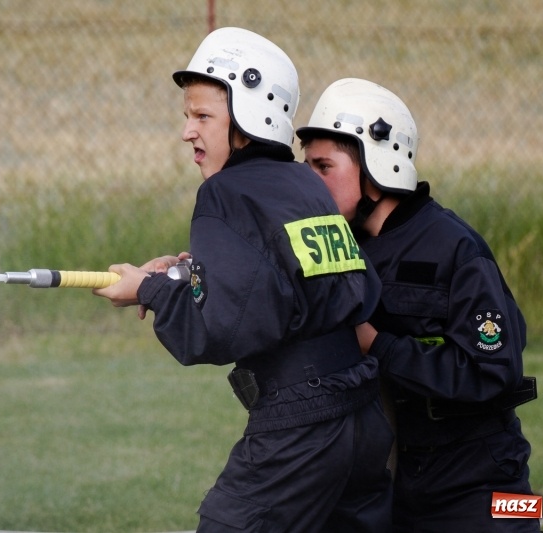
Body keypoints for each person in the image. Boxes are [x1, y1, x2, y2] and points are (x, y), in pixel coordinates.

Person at [93, 31, 394, 532]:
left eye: (203, 116)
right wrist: (186, 273)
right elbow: (292, 287)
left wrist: (146, 290)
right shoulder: (302, 184)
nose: (187, 131)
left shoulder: (226, 194)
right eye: (187, 115)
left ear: (250, 116)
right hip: (359, 416)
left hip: (302, 424)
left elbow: (217, 329)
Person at [297, 78, 541, 532]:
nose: (309, 182)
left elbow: (491, 370)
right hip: (386, 476)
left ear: (377, 166)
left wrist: (379, 346)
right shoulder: (335, 245)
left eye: (323, 167)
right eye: (306, 167)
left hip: (479, 478)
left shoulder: (454, 249)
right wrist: (184, 271)